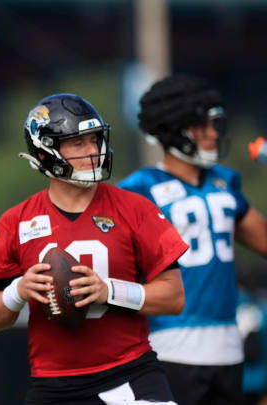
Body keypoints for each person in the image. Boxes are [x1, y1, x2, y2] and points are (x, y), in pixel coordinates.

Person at [0, 93, 187, 405]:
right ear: (46, 150)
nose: (93, 151)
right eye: (78, 143)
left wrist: (109, 292)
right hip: (53, 385)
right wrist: (18, 290)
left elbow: (174, 297)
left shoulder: (135, 209)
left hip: (128, 374)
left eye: (95, 140)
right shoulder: (15, 222)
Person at [119, 75, 267, 405]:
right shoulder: (138, 189)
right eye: (201, 126)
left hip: (228, 346)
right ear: (173, 129)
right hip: (170, 344)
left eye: (213, 124)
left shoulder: (224, 182)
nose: (213, 134)